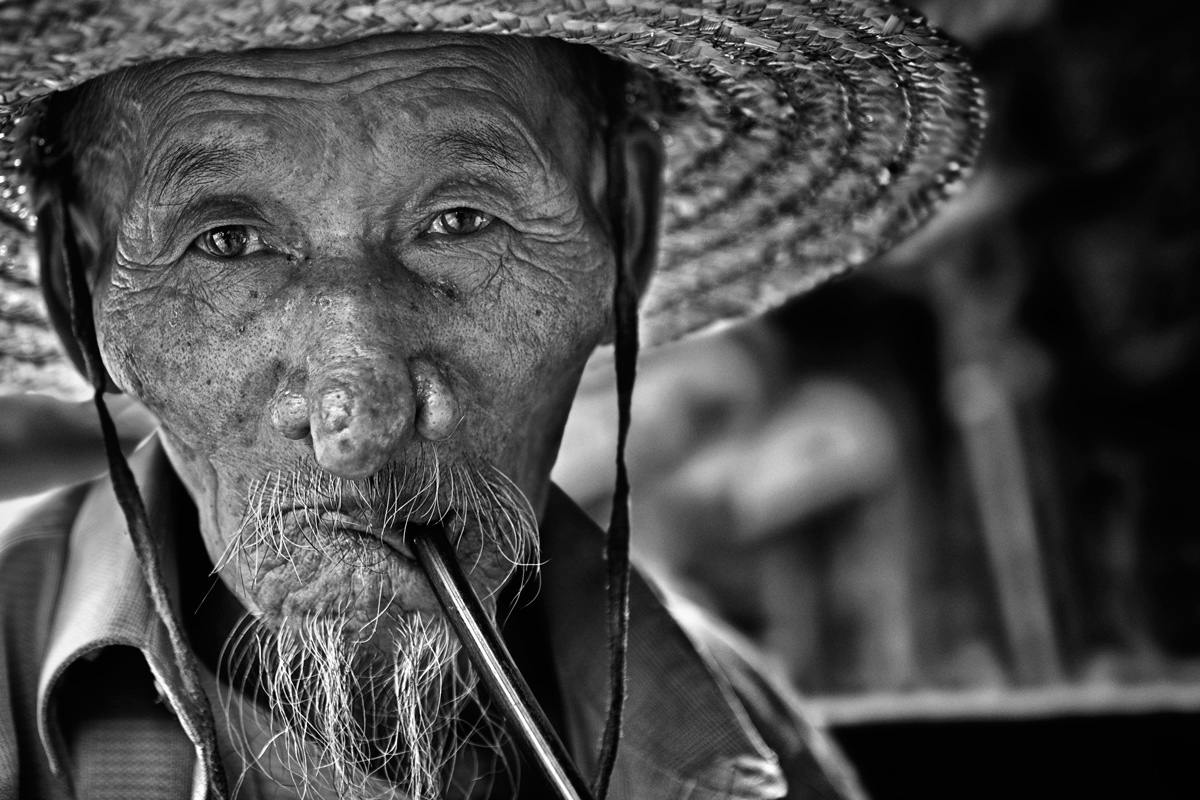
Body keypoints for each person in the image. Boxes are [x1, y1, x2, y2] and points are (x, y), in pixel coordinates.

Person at [0, 1, 983, 798]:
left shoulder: (735, 738)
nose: (361, 418)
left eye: (461, 221)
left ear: (625, 232)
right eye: (227, 242)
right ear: (75, 285)